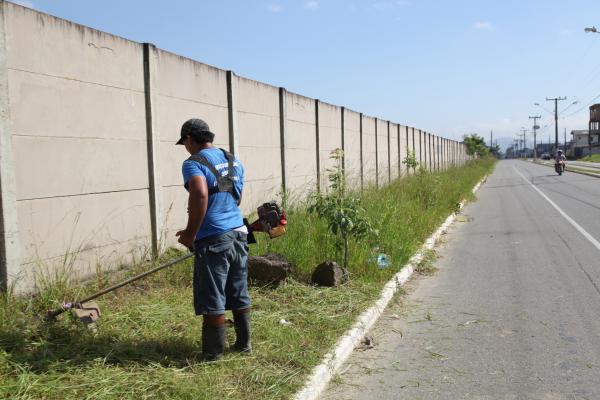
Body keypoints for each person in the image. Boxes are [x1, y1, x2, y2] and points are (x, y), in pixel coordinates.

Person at [175, 118, 251, 361]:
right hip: (239, 233)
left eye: (184, 142)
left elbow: (199, 193)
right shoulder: (232, 160)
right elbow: (234, 198)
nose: (185, 147)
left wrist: (190, 233)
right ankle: (243, 344)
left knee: (212, 295)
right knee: (238, 290)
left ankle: (213, 354)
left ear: (189, 139)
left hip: (214, 238)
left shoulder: (192, 163)